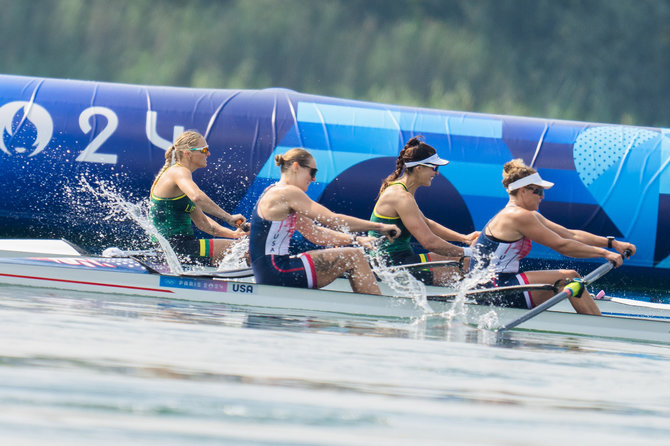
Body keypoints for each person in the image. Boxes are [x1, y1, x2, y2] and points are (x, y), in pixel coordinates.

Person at [469, 158, 636, 315]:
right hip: (492, 290)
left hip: (499, 284)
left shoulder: (526, 214)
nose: (542, 196)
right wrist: (604, 254)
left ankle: (593, 319)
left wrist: (612, 244)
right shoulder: (517, 216)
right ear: (523, 191)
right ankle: (599, 328)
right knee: (569, 277)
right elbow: (562, 246)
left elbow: (570, 234)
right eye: (539, 191)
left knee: (570, 277)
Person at [249, 148, 400, 295]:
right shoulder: (288, 192)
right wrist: (379, 226)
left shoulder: (274, 190)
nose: (313, 178)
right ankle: (375, 312)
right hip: (278, 271)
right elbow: (333, 220)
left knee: (350, 253)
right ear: (296, 167)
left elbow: (315, 234)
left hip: (268, 272)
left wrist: (357, 239)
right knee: (355, 256)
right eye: (312, 172)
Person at [369, 136, 479, 285]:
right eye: (434, 168)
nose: (437, 173)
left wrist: (464, 238)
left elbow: (427, 223)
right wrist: (469, 252)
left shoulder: (402, 190)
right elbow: (429, 243)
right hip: (392, 265)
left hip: (398, 260)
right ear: (419, 168)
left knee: (463, 260)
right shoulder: (400, 196)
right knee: (467, 262)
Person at [150, 130, 247, 265]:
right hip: (177, 248)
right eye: (204, 149)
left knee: (239, 247)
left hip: (176, 248)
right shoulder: (179, 172)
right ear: (188, 154)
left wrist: (235, 234)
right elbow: (197, 197)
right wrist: (229, 218)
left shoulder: (178, 177)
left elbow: (205, 225)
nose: (208, 153)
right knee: (245, 252)